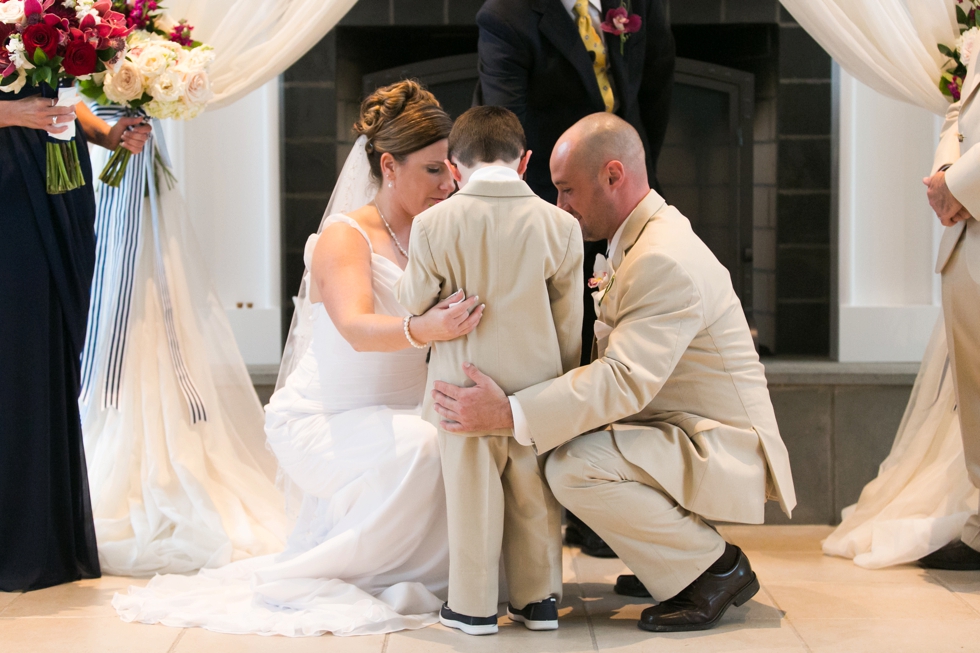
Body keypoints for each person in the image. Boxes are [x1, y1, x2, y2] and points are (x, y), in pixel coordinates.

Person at [112, 81, 485, 637]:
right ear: (389, 165)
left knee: (455, 443)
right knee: (425, 446)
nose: (449, 182)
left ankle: (422, 573)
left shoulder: (442, 230)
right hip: (325, 419)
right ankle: (319, 573)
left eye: (450, 168)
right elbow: (357, 328)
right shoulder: (345, 236)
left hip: (400, 412)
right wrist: (425, 329)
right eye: (433, 169)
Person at [429, 113, 796, 633]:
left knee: (572, 466)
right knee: (562, 439)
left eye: (567, 190)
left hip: (720, 446)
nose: (561, 206)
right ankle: (669, 563)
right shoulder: (641, 237)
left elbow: (623, 379)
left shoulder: (662, 258)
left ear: (613, 175)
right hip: (674, 426)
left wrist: (510, 411)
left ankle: (715, 570)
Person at [477, 0, 676, 555]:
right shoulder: (508, 16)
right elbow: (505, 131)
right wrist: (562, 210)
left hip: (618, 194)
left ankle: (617, 506)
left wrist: (623, 188)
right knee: (568, 351)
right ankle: (556, 504)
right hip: (549, 211)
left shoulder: (640, 5)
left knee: (621, 346)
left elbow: (655, 90)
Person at [394, 106, 583, 636]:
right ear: (525, 162)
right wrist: (559, 389)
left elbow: (412, 301)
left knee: (471, 496)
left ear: (454, 168)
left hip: (461, 389)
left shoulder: (433, 223)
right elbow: (570, 324)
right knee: (534, 496)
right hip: (534, 393)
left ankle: (474, 607)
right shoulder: (561, 225)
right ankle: (539, 600)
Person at [78, 105, 290, 577]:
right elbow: (72, 96)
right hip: (92, 157)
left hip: (127, 160)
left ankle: (175, 458)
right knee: (116, 286)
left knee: (160, 293)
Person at [0, 87, 150, 592]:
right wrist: (8, 113)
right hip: (7, 186)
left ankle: (40, 537)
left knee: (37, 354)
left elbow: (59, 92)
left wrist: (107, 133)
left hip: (52, 183)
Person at [909, 54, 980, 571]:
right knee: (974, 394)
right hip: (967, 237)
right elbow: (960, 112)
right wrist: (944, 177)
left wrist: (961, 186)